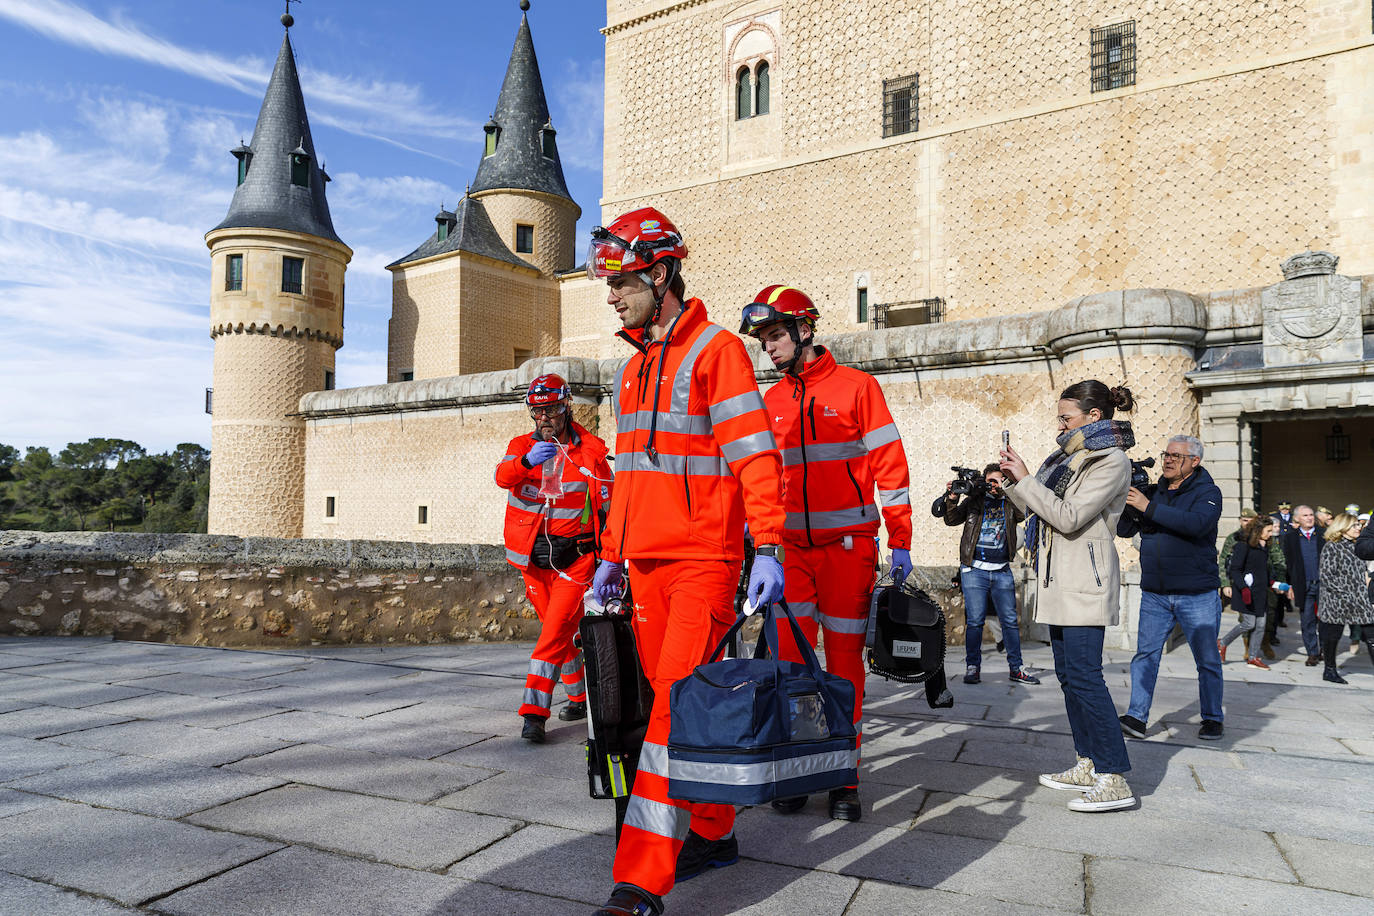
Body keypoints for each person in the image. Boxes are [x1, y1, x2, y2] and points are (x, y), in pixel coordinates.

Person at [585, 208, 787, 916]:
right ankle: (712, 828)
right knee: (685, 703)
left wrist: (769, 544)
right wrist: (611, 555)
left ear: (662, 273)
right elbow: (631, 473)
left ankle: (640, 880)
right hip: (642, 566)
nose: (612, 293)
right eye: (608, 281)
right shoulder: (632, 368)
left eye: (623, 279)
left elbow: (754, 456)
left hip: (703, 559)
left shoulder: (716, 351)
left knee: (670, 712)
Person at [739, 284, 915, 823]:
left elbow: (891, 469)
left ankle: (843, 779)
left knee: (842, 671)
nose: (767, 347)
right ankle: (795, 771)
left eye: (773, 335)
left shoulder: (858, 388)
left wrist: (901, 540)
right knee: (789, 667)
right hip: (788, 555)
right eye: (762, 339)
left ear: (804, 330)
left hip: (848, 552)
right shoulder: (768, 402)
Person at [999, 380, 1135, 813]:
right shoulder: (1068, 458)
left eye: (1066, 417)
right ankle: (1088, 761)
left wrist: (1025, 479)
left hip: (1084, 580)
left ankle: (1114, 777)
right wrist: (1009, 484)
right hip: (1060, 579)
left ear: (1094, 416)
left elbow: (1069, 516)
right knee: (1069, 677)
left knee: (1086, 677)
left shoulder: (1109, 460)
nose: (1059, 425)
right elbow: (1041, 510)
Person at [495, 374, 614, 743]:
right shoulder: (520, 446)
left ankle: (534, 712)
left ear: (566, 408)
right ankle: (578, 697)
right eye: (538, 410)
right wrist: (527, 462)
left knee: (550, 636)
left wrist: (611, 560)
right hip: (533, 561)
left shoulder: (590, 452)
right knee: (562, 632)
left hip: (575, 561)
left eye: (551, 409)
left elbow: (609, 510)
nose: (544, 417)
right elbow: (502, 477)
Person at [1116, 435, 1225, 741]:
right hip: (1155, 593)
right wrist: (1127, 501)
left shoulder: (1208, 493)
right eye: (1167, 454)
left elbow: (1196, 525)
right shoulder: (1153, 492)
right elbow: (1125, 530)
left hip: (1197, 594)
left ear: (1194, 462)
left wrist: (1148, 506)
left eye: (1177, 456)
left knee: (1207, 659)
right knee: (1145, 656)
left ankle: (1213, 717)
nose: (1168, 460)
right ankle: (1136, 717)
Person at [940, 463, 1040, 686]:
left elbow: (1022, 512)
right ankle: (973, 667)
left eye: (997, 481)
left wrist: (1004, 489)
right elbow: (951, 519)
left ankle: (1016, 668)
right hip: (974, 570)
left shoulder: (1009, 502)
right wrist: (953, 497)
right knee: (975, 622)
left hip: (1002, 570)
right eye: (990, 481)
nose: (992, 486)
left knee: (1010, 623)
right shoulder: (975, 500)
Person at [1218, 508, 1287, 659]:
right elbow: (1227, 563)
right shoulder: (1238, 541)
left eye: (1250, 520)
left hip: (1263, 587)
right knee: (1248, 622)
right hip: (1246, 588)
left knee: (1264, 622)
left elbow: (1277, 562)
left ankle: (1256, 653)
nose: (1271, 533)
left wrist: (1278, 583)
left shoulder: (1267, 543)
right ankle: (1238, 646)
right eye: (1244, 520)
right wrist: (1227, 584)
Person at [1316, 514, 1374, 684]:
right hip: (1337, 601)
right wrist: (1344, 594)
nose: (1358, 528)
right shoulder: (1332, 547)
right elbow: (1326, 576)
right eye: (1354, 525)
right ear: (1342, 527)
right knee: (1332, 636)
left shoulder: (1358, 546)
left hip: (1359, 599)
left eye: (1358, 525)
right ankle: (1330, 670)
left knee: (1371, 634)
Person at [1281, 505, 1326, 666]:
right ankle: (1312, 653)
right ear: (1297, 519)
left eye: (1311, 515)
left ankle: (1324, 651)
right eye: (1305, 515)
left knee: (1325, 620)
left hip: (1323, 584)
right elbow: (1289, 563)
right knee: (1307, 620)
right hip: (1303, 585)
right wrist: (1290, 586)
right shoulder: (1291, 537)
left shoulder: (1323, 534)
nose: (1309, 518)